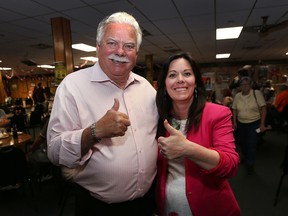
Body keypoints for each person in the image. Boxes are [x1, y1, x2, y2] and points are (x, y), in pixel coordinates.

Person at [47, 12, 158, 216]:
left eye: (129, 46)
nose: (120, 51)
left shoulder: (147, 89)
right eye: (112, 43)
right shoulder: (72, 86)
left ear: (137, 52)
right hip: (98, 208)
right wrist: (95, 131)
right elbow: (55, 152)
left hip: (145, 205)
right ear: (98, 47)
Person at [155, 52, 240, 216]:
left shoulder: (218, 114)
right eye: (172, 75)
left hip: (210, 208)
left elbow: (230, 166)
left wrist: (187, 149)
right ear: (164, 85)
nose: (180, 79)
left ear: (196, 83)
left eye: (187, 73)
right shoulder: (159, 118)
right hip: (169, 207)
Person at [232, 76, 267, 174]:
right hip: (241, 123)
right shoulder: (238, 96)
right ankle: (245, 156)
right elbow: (234, 109)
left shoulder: (256, 93)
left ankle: (250, 163)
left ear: (250, 85)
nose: (244, 86)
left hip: (254, 124)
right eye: (242, 84)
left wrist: (262, 124)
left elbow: (263, 108)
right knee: (243, 143)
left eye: (247, 84)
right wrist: (234, 122)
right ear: (240, 86)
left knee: (251, 144)